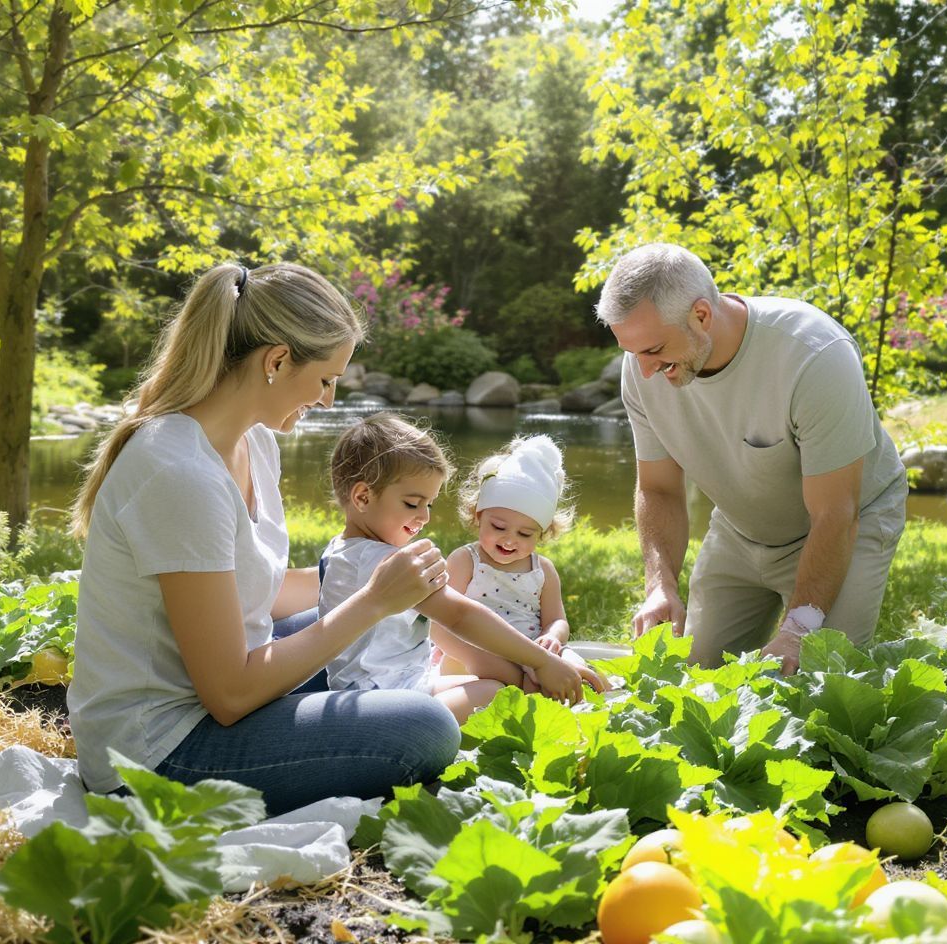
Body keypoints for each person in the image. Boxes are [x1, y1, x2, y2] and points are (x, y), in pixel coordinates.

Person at [67, 262, 462, 815]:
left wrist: (366, 581)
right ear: (276, 361)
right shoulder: (179, 472)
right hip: (157, 755)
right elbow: (228, 697)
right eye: (325, 380)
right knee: (424, 729)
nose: (327, 400)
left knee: (372, 642)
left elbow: (257, 596)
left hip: (219, 688)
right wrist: (373, 602)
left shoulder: (254, 444)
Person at [596, 243, 907, 674]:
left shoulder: (814, 354)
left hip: (847, 523)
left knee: (820, 683)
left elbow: (836, 512)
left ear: (701, 315)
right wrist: (659, 584)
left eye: (653, 350)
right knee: (696, 678)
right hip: (742, 527)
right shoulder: (642, 367)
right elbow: (658, 487)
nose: (644, 370)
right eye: (633, 353)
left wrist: (799, 627)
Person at [319, 414, 603, 723]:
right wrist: (541, 660)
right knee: (499, 697)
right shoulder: (383, 562)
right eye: (413, 504)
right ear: (363, 497)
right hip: (377, 699)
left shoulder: (343, 549)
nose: (425, 517)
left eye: (429, 505)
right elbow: (460, 615)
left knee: (498, 689)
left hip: (403, 684)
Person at [435, 434, 594, 690]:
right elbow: (442, 624)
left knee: (578, 670)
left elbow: (557, 619)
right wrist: (518, 672)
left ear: (543, 532)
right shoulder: (466, 561)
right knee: (504, 687)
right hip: (476, 651)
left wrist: (552, 636)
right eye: (498, 527)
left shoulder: (543, 570)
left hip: (533, 649)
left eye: (524, 534)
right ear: (478, 515)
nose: (509, 540)